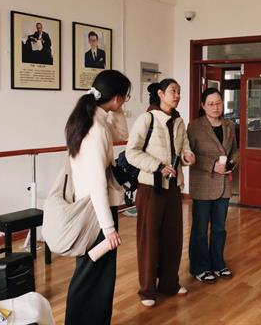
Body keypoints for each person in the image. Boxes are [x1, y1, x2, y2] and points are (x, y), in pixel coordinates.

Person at [64, 69, 131, 324]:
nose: (124, 102)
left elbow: (122, 134)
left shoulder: (93, 118)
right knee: (91, 276)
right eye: (124, 97)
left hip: (93, 208)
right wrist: (108, 228)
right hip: (95, 212)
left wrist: (117, 107)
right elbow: (97, 184)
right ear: (116, 97)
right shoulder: (95, 128)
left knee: (96, 275)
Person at [125, 78, 196, 307]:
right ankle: (147, 290)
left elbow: (184, 148)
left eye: (179, 92)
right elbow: (131, 152)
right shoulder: (147, 119)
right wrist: (157, 166)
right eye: (173, 91)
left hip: (173, 188)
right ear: (160, 94)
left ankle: (169, 283)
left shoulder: (179, 121)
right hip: (150, 188)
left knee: (173, 238)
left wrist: (187, 157)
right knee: (149, 240)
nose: (177, 95)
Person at [187, 88, 239, 283]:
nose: (215, 107)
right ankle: (199, 267)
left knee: (219, 228)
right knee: (200, 230)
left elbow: (236, 151)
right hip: (203, 184)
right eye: (211, 104)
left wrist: (232, 162)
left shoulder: (229, 125)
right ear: (203, 106)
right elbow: (189, 155)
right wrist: (212, 165)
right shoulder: (194, 126)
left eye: (218, 103)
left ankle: (218, 263)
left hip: (223, 184)